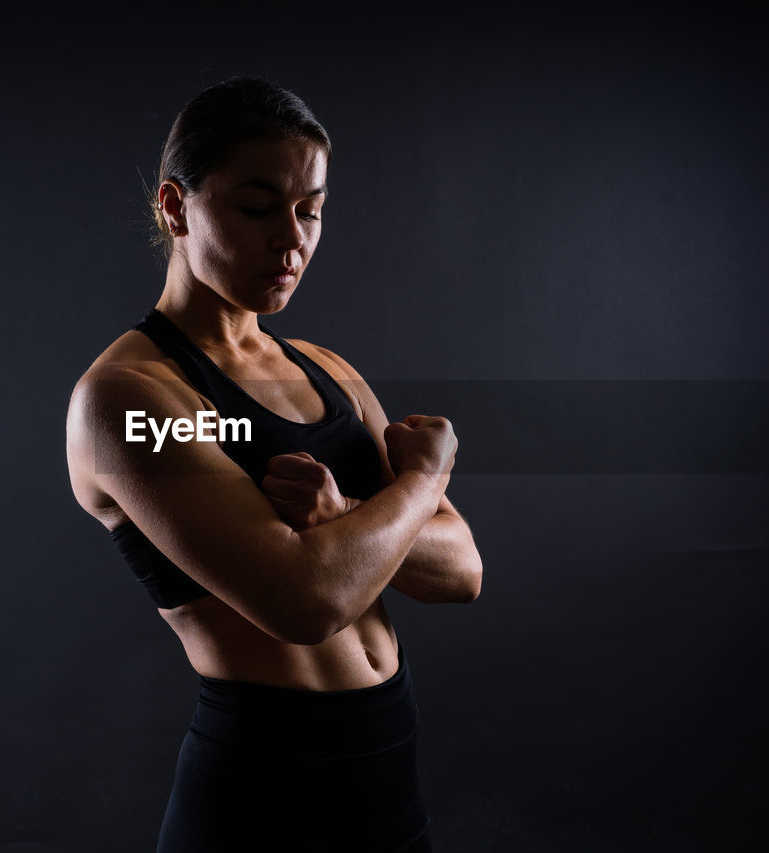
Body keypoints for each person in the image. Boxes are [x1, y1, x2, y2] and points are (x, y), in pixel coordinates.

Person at [65, 78, 483, 853]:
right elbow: (305, 600)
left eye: (311, 210)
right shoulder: (126, 400)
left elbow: (460, 570)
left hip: (389, 778)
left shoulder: (327, 370)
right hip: (260, 794)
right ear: (175, 206)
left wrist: (341, 524)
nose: (290, 239)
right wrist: (423, 481)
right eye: (257, 208)